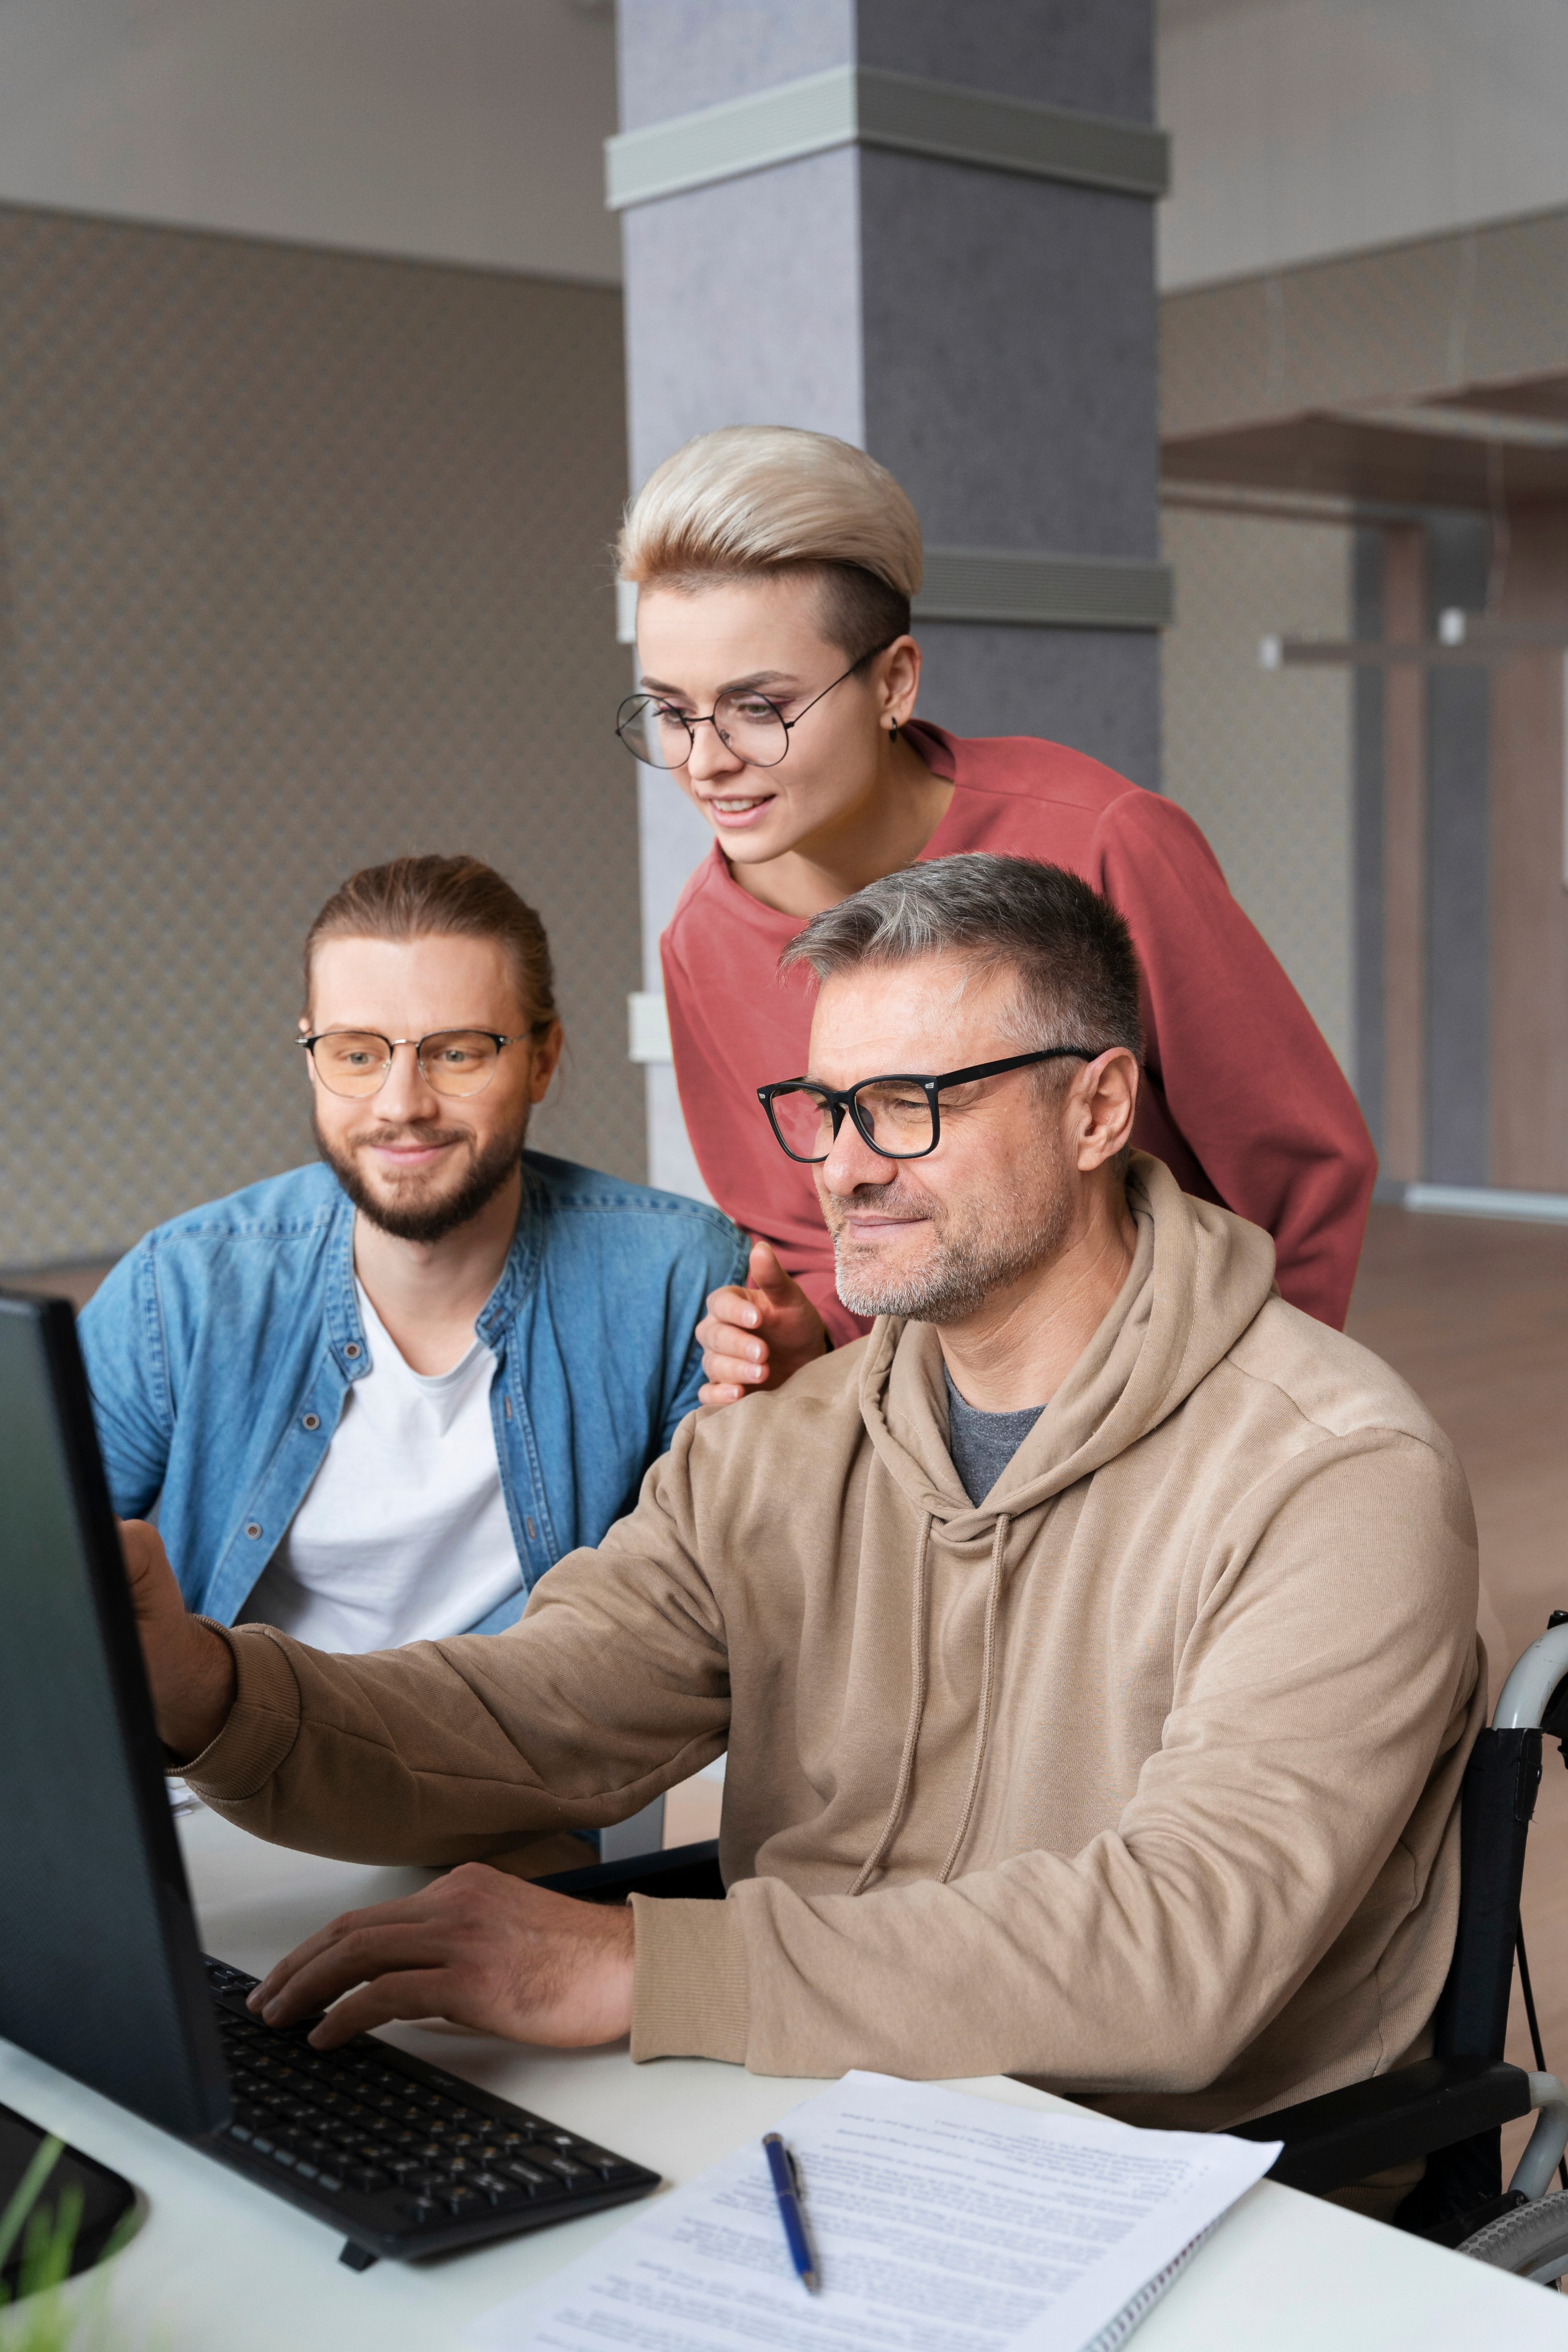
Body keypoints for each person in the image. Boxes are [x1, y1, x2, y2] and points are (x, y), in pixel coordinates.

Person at [121, 854, 1480, 2152]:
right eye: (825, 1107)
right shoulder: (784, 1446)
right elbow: (536, 1711)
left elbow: (1181, 1943)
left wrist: (659, 1963)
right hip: (814, 2114)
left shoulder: (1335, 1471)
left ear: (1099, 1108)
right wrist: (205, 1686)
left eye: (908, 1102)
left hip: (1188, 2177)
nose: (842, 1168)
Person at [610, 424, 1378, 1406]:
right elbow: (821, 1248)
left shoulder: (1106, 839)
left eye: (759, 707)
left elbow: (1301, 1170)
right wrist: (806, 1332)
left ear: (892, 682)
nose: (706, 761)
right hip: (943, 1444)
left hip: (1188, 1397)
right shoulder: (701, 943)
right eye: (670, 711)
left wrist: (1259, 1422)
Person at [82, 853, 747, 1650]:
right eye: (357, 1054)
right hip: (227, 1766)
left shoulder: (679, 1277)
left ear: (541, 1060)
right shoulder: (180, 1289)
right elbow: (38, 1568)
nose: (402, 1104)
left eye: (457, 1052)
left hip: (521, 1767)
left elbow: (704, 1614)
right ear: (312, 1057)